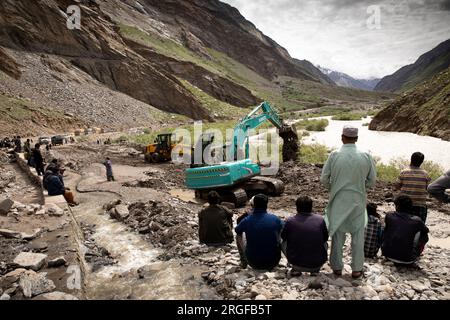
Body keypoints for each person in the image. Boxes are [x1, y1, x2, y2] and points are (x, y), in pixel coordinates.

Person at [320, 125, 377, 279]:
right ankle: (357, 269)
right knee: (358, 236)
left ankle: (337, 268)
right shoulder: (366, 155)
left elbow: (323, 179)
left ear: (342, 137)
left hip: (338, 200)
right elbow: (372, 181)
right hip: (358, 200)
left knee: (338, 235)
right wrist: (360, 187)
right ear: (356, 138)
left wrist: (335, 187)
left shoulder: (334, 155)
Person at [281, 196, 328, 275]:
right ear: (311, 207)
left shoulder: (290, 221)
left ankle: (295, 268)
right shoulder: (320, 219)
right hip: (316, 265)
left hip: (296, 264)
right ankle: (314, 271)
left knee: (283, 242)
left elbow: (283, 237)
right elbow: (325, 238)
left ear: (297, 207)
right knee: (325, 243)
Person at [235, 194, 283, 270]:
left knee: (238, 235)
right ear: (266, 204)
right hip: (273, 262)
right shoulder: (275, 219)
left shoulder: (247, 219)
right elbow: (285, 229)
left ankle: (243, 261)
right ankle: (290, 261)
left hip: (253, 263)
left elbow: (237, 230)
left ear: (253, 205)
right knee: (280, 232)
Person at [381, 195, 429, 266]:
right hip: (408, 259)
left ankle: (389, 248)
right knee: (423, 233)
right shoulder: (416, 220)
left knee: (387, 227)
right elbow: (426, 231)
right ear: (410, 207)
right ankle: (415, 253)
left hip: (388, 255)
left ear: (397, 206)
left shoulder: (389, 215)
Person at [395, 152, 430, 223]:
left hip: (404, 204)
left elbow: (397, 187)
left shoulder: (404, 172)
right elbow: (428, 189)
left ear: (411, 159)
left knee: (402, 224)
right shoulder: (425, 174)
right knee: (419, 226)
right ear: (421, 162)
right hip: (420, 205)